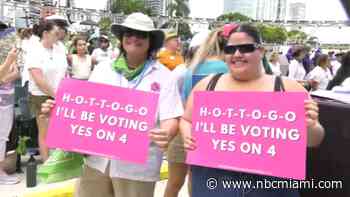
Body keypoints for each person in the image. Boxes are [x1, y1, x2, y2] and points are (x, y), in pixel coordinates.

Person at [42, 12, 183, 197]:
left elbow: (170, 116)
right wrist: (59, 111)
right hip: (96, 161)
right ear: (122, 38)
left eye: (141, 35)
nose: (133, 38)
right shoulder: (103, 69)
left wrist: (166, 133)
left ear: (151, 41)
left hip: (136, 166)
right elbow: (85, 110)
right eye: (128, 33)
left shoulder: (164, 76)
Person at [181, 23, 325, 197]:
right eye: (230, 49)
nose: (237, 54)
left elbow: (314, 140)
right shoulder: (207, 85)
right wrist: (188, 136)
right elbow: (186, 119)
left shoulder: (289, 88)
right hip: (213, 182)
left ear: (261, 51)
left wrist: (310, 127)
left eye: (246, 48)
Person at [27, 20, 68, 161]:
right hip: (42, 96)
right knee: (45, 131)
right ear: (45, 34)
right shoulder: (34, 51)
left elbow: (64, 71)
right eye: (55, 33)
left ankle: (59, 161)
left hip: (59, 94)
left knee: (59, 130)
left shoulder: (59, 48)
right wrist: (56, 95)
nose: (59, 36)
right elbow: (39, 80)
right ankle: (46, 163)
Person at [0, 23, 21, 184]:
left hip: (7, 98)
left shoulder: (7, 52)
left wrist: (3, 78)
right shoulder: (8, 56)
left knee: (3, 136)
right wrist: (8, 61)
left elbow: (15, 73)